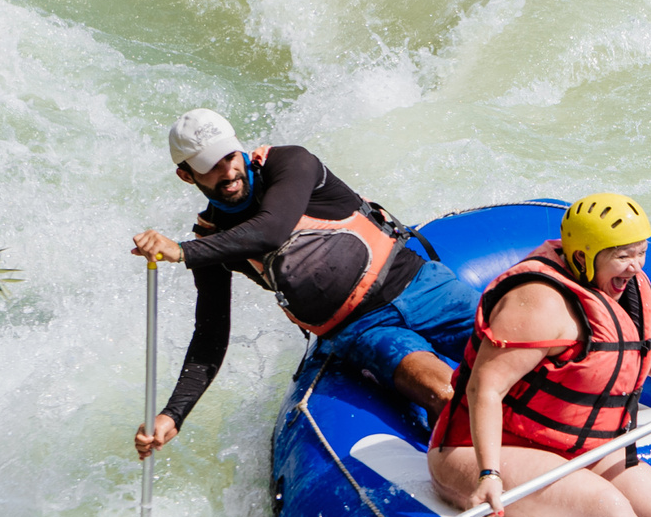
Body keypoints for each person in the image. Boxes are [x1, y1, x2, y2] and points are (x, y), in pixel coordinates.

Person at [130, 109, 478, 458]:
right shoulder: (211, 240)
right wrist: (174, 414)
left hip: (421, 286)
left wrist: (181, 252)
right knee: (445, 394)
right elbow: (210, 334)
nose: (228, 171)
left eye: (230, 156)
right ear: (186, 176)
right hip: (364, 330)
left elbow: (271, 230)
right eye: (210, 165)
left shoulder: (289, 163)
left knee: (520, 348)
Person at [425, 196, 651, 517]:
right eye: (622, 256)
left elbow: (635, 340)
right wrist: (488, 473)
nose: (636, 265)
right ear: (583, 256)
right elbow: (485, 387)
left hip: (572, 447)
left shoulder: (625, 286)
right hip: (480, 449)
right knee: (607, 507)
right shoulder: (539, 303)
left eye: (641, 253)